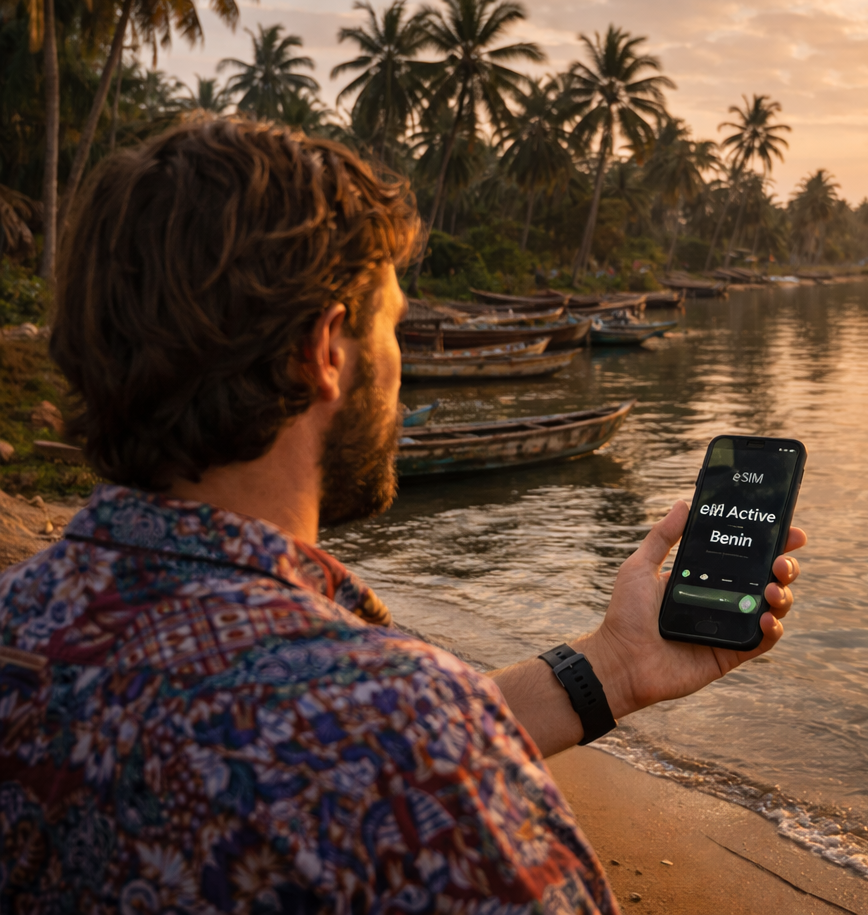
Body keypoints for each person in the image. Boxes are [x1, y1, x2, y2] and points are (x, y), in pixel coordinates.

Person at [0, 117, 805, 913]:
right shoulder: (405, 741)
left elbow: (328, 729)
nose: (400, 370)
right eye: (392, 326)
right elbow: (384, 743)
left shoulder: (23, 623)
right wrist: (447, 732)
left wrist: (616, 665)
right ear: (324, 351)